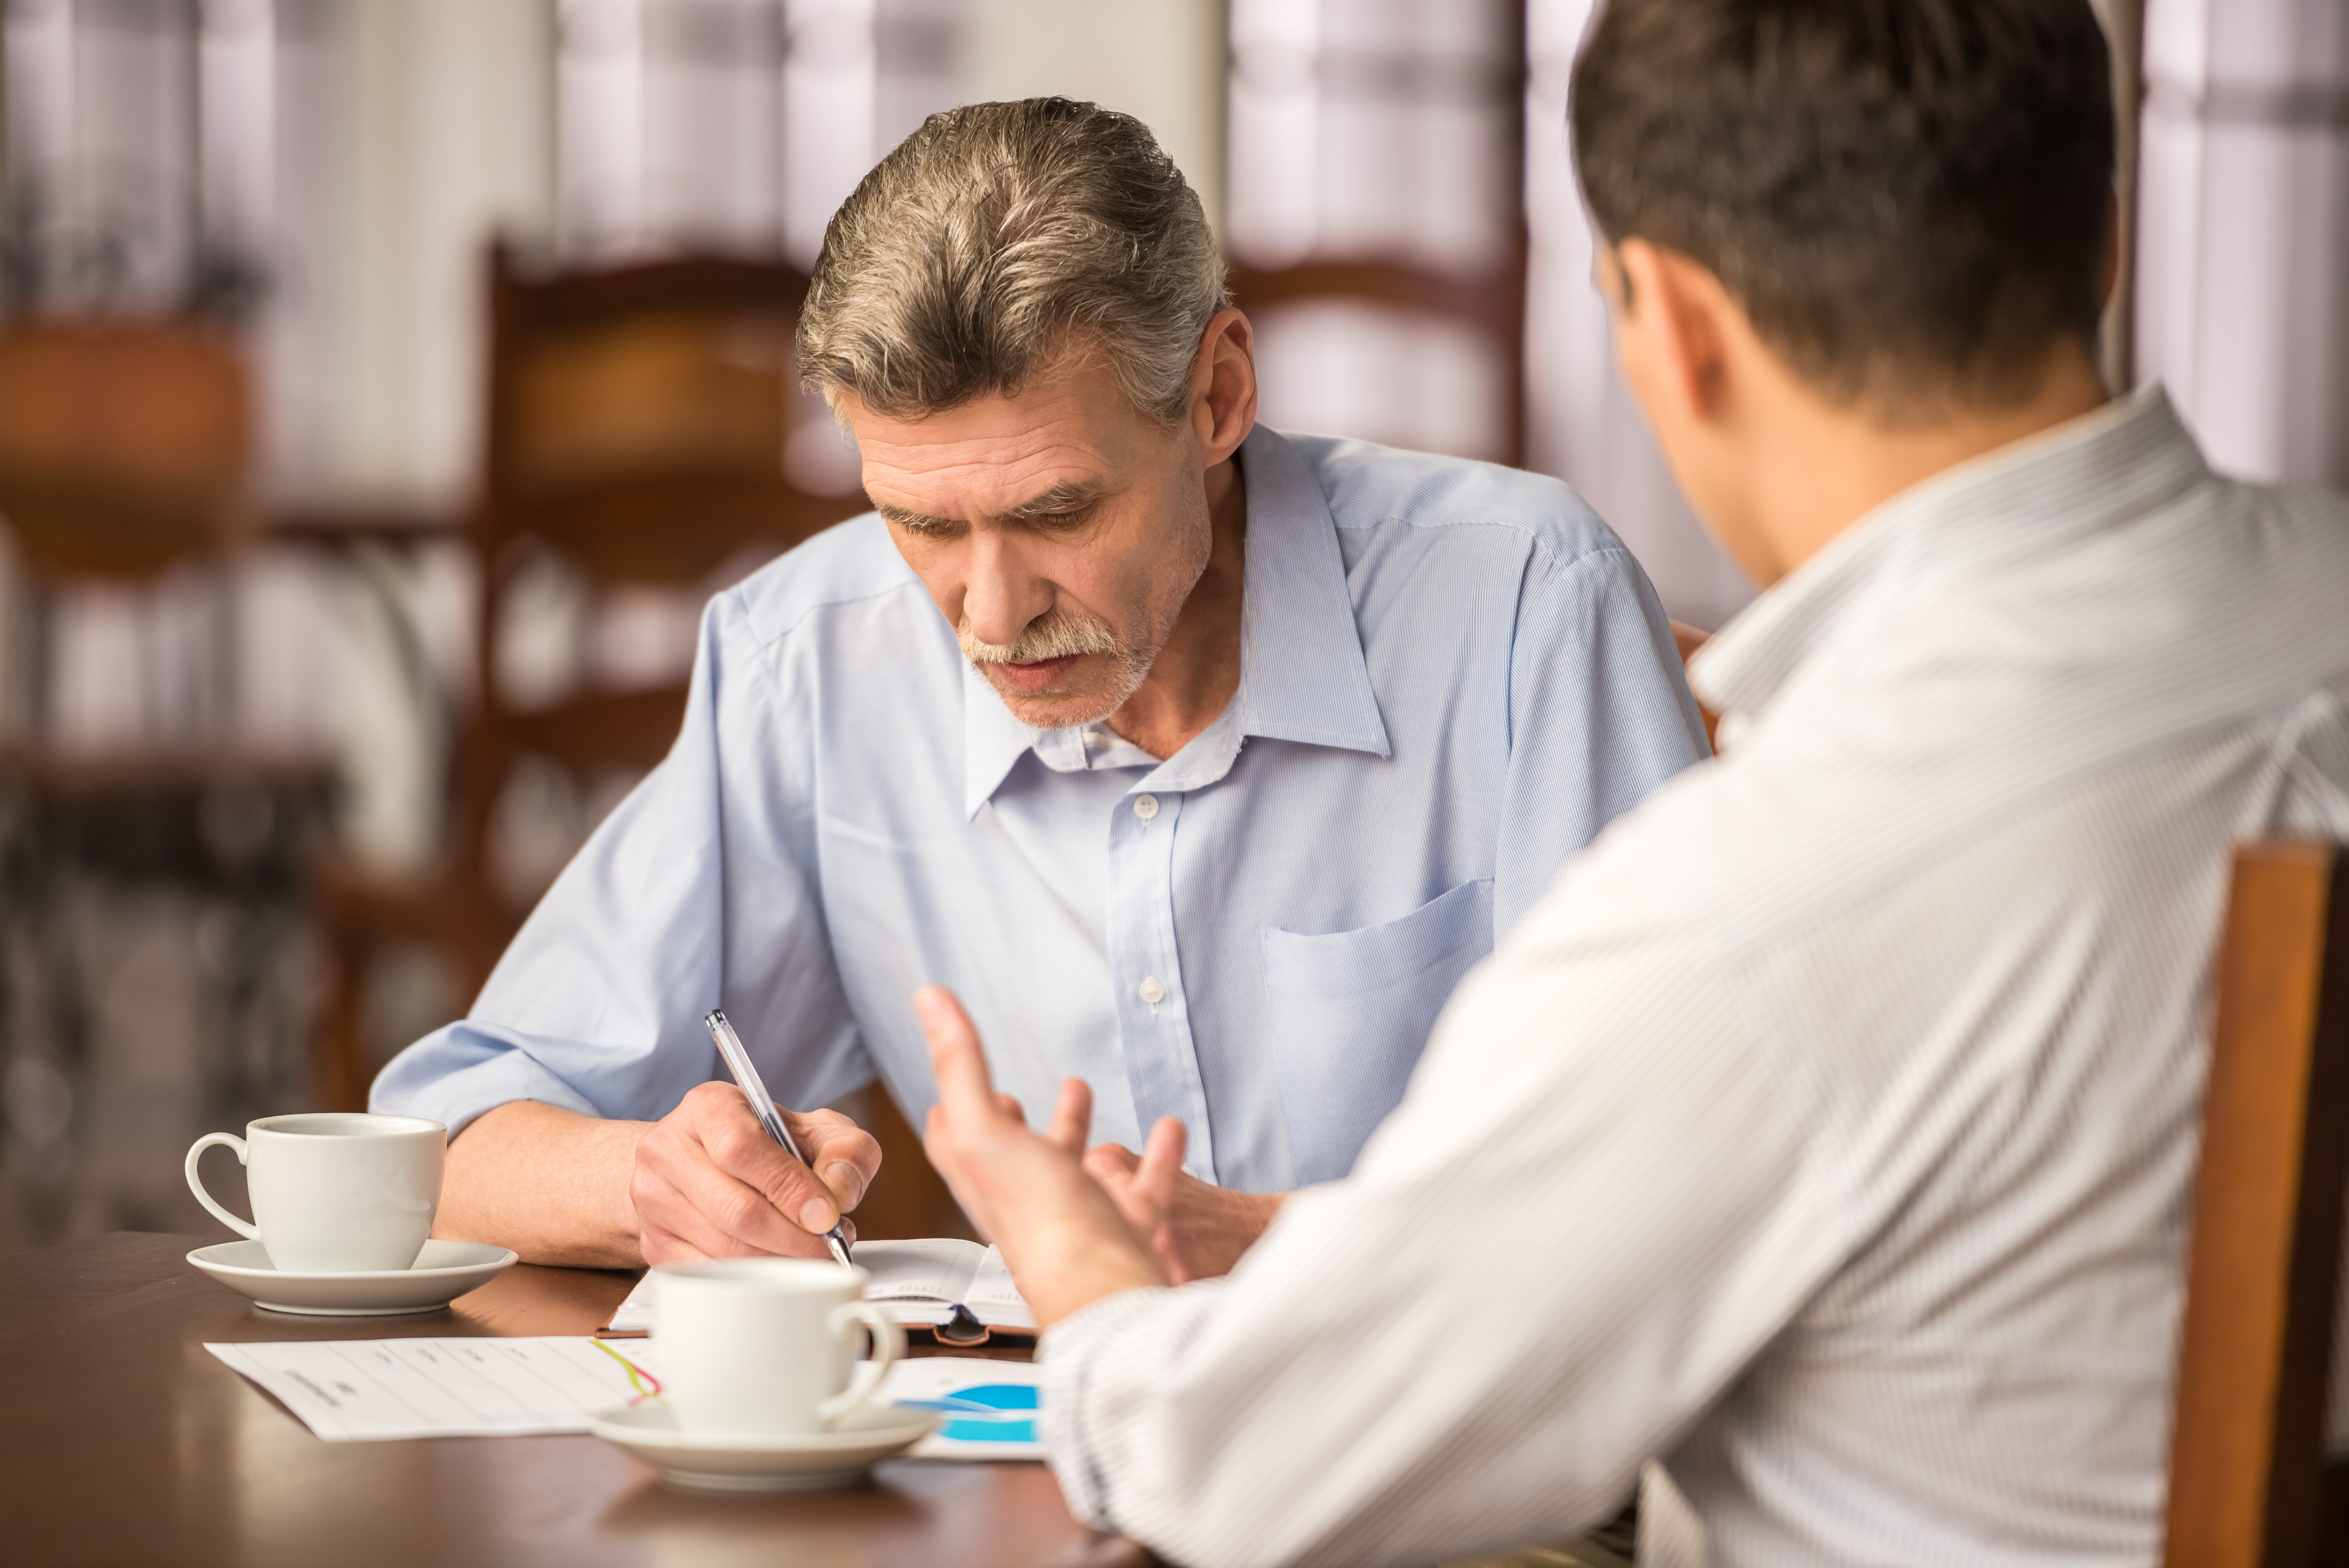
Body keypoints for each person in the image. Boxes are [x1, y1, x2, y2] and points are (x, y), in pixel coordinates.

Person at [911, 3, 2349, 1565]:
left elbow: (1235, 1472)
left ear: (1669, 322)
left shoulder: (1751, 900)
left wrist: (1068, 1256)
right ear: (2108, 241)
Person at [370, 98, 1707, 1270]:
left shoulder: (1529, 606)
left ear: (1220, 395)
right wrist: (651, 1186)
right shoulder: (810, 663)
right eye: (925, 527)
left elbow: (1700, 1180)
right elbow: (447, 1136)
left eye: (1059, 513)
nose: (993, 617)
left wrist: (1270, 1246)